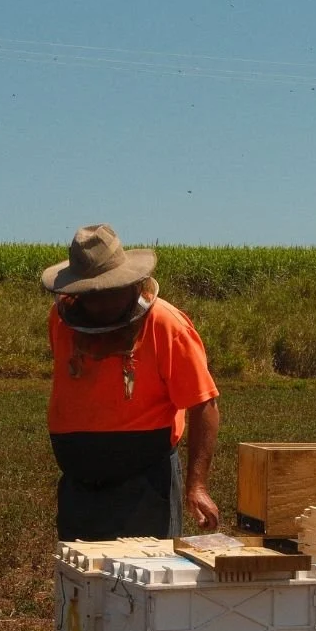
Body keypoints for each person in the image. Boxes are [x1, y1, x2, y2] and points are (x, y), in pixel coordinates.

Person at [42, 224, 221, 541]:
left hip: (145, 487)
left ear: (128, 285)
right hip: (78, 486)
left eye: (103, 293)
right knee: (82, 584)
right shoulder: (60, 319)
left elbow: (203, 403)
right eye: (86, 295)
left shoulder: (166, 324)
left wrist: (197, 485)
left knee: (141, 585)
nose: (93, 304)